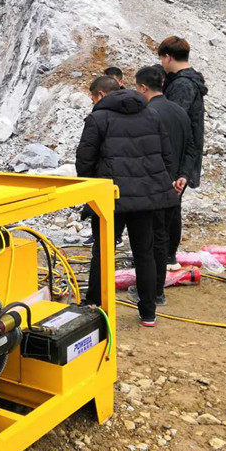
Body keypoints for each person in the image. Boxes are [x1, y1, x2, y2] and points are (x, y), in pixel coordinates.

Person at [75, 76, 178, 326]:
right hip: (145, 199)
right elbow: (167, 156)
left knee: (103, 252)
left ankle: (94, 304)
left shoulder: (98, 119)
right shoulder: (151, 115)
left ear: (100, 94)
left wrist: (91, 192)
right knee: (145, 254)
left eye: (92, 97)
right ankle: (148, 311)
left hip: (110, 197)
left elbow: (85, 160)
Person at [135, 65, 197, 305]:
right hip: (174, 188)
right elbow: (192, 147)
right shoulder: (180, 112)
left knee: (148, 243)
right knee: (161, 240)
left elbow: (144, 153)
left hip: (152, 188)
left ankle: (151, 293)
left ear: (143, 87)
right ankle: (158, 291)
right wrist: (183, 175)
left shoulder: (146, 113)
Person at [158, 36, 208, 269]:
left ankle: (168, 257)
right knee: (171, 205)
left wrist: (179, 170)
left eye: (161, 57)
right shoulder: (184, 81)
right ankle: (167, 255)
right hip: (181, 155)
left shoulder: (182, 85)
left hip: (177, 157)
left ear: (168, 57)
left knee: (170, 206)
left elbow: (173, 125)